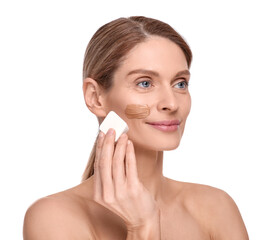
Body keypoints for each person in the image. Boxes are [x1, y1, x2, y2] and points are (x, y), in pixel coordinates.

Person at [23, 16, 249, 239]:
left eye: (180, 83)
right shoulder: (54, 217)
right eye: (145, 83)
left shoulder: (216, 207)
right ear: (95, 98)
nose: (171, 103)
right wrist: (143, 226)